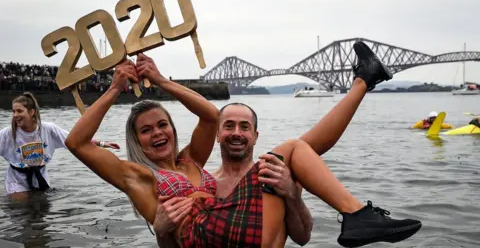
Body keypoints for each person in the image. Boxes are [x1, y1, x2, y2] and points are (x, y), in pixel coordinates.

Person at [65, 45, 420, 248]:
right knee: (295, 149)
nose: (157, 133)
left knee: (295, 153)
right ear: (135, 140)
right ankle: (356, 214)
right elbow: (76, 143)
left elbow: (208, 115)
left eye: (163, 125)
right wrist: (113, 89)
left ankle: (363, 80)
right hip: (200, 234)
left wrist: (159, 80)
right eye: (146, 131)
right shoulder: (137, 176)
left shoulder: (191, 161)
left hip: (227, 229)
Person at [0, 92, 120, 199]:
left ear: (32, 112)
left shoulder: (48, 129)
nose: (15, 115)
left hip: (40, 176)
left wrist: (102, 143)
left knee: (41, 212)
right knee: (22, 209)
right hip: (16, 179)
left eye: (19, 111)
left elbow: (75, 140)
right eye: (13, 111)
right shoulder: (7, 134)